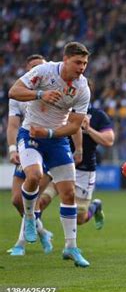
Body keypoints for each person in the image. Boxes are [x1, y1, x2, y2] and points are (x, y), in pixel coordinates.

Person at [8, 41, 91, 267]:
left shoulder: (82, 88)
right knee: (33, 176)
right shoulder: (43, 71)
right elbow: (13, 91)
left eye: (84, 63)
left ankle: (71, 247)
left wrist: (51, 132)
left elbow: (74, 126)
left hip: (56, 140)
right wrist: (40, 94)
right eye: (77, 62)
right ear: (65, 59)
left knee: (68, 193)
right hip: (30, 134)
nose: (82, 67)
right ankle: (30, 219)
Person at [38, 99, 115, 229]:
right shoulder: (62, 112)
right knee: (42, 200)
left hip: (84, 169)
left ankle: (95, 206)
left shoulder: (98, 116)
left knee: (80, 218)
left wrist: (89, 129)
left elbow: (109, 141)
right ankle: (37, 233)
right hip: (59, 164)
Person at [6, 54, 53, 256]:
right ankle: (42, 232)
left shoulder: (53, 88)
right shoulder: (19, 94)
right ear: (28, 71)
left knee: (33, 197)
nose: (36, 71)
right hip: (27, 145)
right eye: (32, 67)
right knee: (17, 200)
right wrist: (12, 149)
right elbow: (13, 124)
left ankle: (20, 244)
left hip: (50, 146)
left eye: (40, 67)